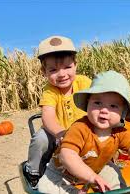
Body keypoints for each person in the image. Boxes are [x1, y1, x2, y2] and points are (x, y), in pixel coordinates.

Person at [37, 70, 130, 194]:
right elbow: (67, 156)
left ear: (123, 112)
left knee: (114, 175)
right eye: (98, 103)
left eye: (113, 106)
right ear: (88, 103)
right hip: (62, 172)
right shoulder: (80, 128)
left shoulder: (119, 132)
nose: (104, 110)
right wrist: (90, 177)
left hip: (97, 169)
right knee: (45, 188)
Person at [23, 35, 92, 189]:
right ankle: (34, 171)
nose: (61, 74)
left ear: (75, 65)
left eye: (67, 67)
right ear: (44, 71)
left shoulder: (84, 82)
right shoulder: (50, 90)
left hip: (83, 134)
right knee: (40, 138)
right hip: (57, 135)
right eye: (53, 70)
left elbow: (97, 104)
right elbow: (47, 116)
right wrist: (60, 133)